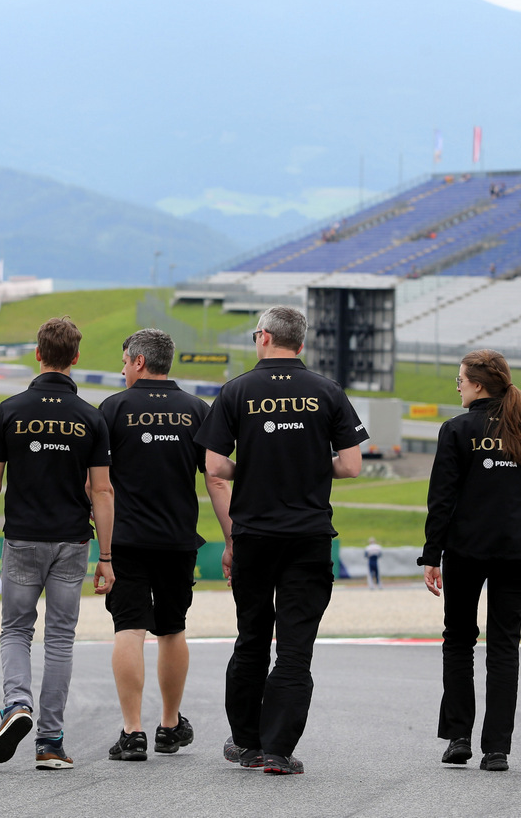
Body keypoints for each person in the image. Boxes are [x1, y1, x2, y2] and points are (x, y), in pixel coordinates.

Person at [195, 306, 366, 775]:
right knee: (294, 648)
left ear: (264, 338)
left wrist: (253, 469)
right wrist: (311, 467)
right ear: (302, 344)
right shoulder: (328, 391)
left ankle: (246, 743)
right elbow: (351, 465)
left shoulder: (236, 390)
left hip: (253, 534)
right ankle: (278, 750)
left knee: (251, 638)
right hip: (309, 535)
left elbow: (213, 468)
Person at [0, 317, 114, 770]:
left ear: (37, 354)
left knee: (16, 629)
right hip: (72, 541)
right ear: (76, 358)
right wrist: (107, 557)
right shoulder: (91, 416)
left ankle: (17, 705)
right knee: (59, 638)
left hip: (21, 538)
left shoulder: (10, 409)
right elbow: (103, 491)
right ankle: (50, 742)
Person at [419, 349, 521, 772]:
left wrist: (432, 554)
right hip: (516, 549)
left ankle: (459, 736)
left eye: (460, 378)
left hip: (466, 550)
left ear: (478, 384)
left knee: (459, 640)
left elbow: (441, 499)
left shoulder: (457, 430)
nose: (457, 385)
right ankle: (496, 748)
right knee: (504, 646)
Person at [98, 329, 232, 762]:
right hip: (177, 539)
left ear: (138, 361)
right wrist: (232, 540)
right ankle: (170, 726)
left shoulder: (113, 410)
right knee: (172, 628)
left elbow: (94, 483)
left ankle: (132, 730)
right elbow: (215, 477)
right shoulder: (196, 409)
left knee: (129, 629)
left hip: (126, 541)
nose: (122, 369)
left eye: (123, 361)